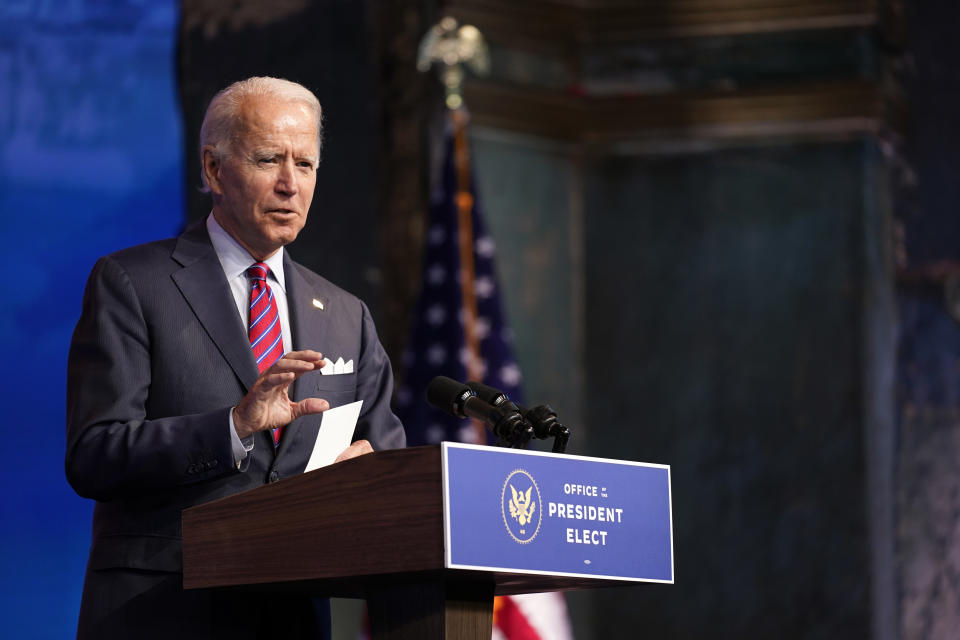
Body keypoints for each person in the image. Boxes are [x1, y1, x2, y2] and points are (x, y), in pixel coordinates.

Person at [65, 77, 406, 639]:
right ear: (213, 169)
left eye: (306, 164)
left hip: (292, 614)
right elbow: (93, 454)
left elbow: (384, 458)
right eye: (270, 159)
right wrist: (233, 427)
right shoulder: (132, 283)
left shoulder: (347, 315)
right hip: (161, 611)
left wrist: (368, 480)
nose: (289, 184)